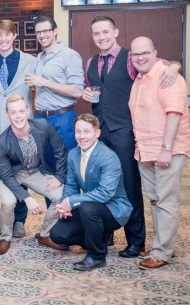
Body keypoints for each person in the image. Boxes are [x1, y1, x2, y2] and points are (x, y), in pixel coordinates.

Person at [81, 16, 181, 258]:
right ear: (92, 37)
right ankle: (103, 237)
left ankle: (136, 241)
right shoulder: (90, 62)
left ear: (115, 32)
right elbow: (92, 87)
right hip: (100, 132)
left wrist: (174, 65)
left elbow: (160, 65)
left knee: (128, 185)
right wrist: (87, 93)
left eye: (105, 32)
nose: (101, 37)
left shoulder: (130, 57)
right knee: (98, 184)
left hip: (124, 131)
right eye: (96, 34)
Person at [129, 36, 190, 269]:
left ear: (155, 52)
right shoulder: (139, 80)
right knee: (155, 200)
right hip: (145, 150)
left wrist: (166, 149)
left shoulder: (167, 76)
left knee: (166, 201)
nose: (140, 57)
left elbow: (174, 114)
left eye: (145, 53)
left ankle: (163, 251)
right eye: (135, 54)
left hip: (168, 151)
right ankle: (162, 245)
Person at [50, 114, 132, 271]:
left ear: (97, 133)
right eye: (78, 132)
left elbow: (105, 193)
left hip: (113, 210)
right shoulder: (74, 154)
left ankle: (96, 256)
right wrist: (66, 202)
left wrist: (72, 202)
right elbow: (71, 185)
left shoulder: (108, 157)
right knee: (58, 235)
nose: (82, 136)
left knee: (88, 208)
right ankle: (100, 238)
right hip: (90, 207)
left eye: (86, 132)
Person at [0, 95, 68, 255]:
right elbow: (6, 175)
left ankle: (45, 235)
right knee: (8, 202)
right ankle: (5, 237)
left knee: (60, 197)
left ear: (28, 111)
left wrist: (60, 176)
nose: (18, 116)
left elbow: (60, 150)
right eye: (13, 112)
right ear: (7, 114)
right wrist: (27, 198)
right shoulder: (2, 141)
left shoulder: (43, 126)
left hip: (34, 171)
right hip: (11, 175)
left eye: (21, 111)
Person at [0, 20, 37, 238]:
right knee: (4, 170)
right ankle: (6, 219)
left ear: (15, 36)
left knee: (21, 171)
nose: (3, 39)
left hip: (21, 123)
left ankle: (19, 221)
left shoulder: (30, 60)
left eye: (7, 35)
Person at [24, 16, 84, 171]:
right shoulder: (39, 57)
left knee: (66, 167)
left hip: (62, 118)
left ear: (55, 31)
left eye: (46, 31)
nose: (42, 35)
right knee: (46, 166)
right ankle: (51, 197)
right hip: (41, 119)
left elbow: (78, 91)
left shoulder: (69, 55)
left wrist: (44, 82)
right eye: (38, 32)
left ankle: (67, 196)